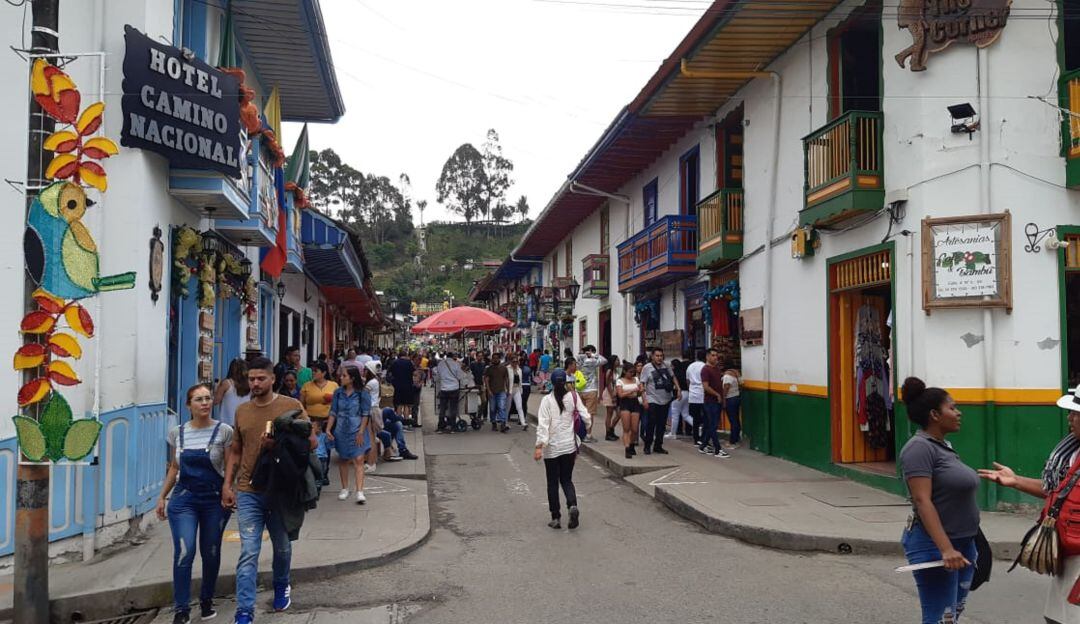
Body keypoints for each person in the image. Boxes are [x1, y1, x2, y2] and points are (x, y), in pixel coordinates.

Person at [223, 357, 314, 623]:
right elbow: (236, 451)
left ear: (273, 379)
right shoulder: (242, 411)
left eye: (261, 378)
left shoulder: (291, 406)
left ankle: (281, 583)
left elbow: (311, 442)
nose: (255, 383)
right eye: (251, 379)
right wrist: (227, 485)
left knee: (282, 547)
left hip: (281, 489)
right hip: (248, 490)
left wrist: (278, 445)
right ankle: (244, 609)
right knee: (248, 551)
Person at [980, 386, 1080, 623]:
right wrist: (1015, 481)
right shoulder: (1071, 452)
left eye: (1076, 413)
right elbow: (1057, 492)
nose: (1070, 418)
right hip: (1069, 554)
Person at [898, 377, 979, 624]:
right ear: (934, 414)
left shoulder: (942, 446)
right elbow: (922, 500)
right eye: (952, 408)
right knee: (940, 618)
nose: (958, 412)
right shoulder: (919, 448)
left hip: (962, 543)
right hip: (935, 545)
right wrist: (946, 549)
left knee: (952, 615)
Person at [157, 384, 234, 624]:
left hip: (214, 500)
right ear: (188, 405)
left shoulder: (224, 431)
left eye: (208, 398)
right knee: (185, 551)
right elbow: (175, 467)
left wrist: (229, 489)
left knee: (211, 552)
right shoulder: (177, 433)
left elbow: (230, 465)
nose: (205, 403)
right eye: (199, 399)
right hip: (184, 499)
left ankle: (206, 600)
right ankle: (181, 609)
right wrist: (162, 496)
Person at [534, 369, 588, 529]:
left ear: (551, 382)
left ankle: (556, 517)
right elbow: (586, 417)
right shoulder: (573, 397)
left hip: (552, 449)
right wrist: (584, 433)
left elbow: (543, 425)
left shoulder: (546, 400)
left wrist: (539, 446)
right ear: (566, 381)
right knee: (566, 479)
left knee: (552, 482)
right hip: (569, 446)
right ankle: (572, 505)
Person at [326, 365, 371, 504]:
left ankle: (360, 491)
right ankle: (344, 488)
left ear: (352, 378)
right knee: (343, 458)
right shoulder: (338, 393)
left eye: (344, 375)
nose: (341, 377)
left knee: (359, 459)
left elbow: (365, 414)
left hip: (357, 428)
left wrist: (361, 431)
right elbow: (333, 411)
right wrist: (328, 429)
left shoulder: (362, 393)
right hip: (341, 429)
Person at [640, 348, 679, 455]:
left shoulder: (666, 365)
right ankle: (647, 445)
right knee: (651, 423)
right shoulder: (647, 368)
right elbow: (642, 384)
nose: (659, 358)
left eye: (661, 356)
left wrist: (678, 388)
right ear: (652, 356)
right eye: (657, 356)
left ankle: (658, 446)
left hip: (665, 399)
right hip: (652, 399)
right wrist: (644, 399)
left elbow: (673, 377)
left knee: (661, 425)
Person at [698, 349, 730, 458]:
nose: (715, 357)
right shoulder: (705, 370)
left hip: (717, 401)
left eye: (716, 355)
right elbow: (705, 386)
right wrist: (717, 394)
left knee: (710, 425)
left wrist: (721, 397)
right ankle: (718, 449)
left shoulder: (716, 369)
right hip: (710, 402)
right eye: (713, 355)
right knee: (713, 426)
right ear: (707, 357)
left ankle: (703, 445)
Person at [577, 346, 608, 444]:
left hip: (580, 389)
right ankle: (588, 435)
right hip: (591, 390)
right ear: (590, 351)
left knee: (581, 412)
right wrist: (594, 355)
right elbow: (604, 360)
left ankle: (580, 432)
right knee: (590, 413)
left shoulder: (579, 360)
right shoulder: (592, 361)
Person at [436, 352, 469, 432]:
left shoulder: (440, 364)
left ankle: (440, 426)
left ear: (446, 356)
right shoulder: (456, 364)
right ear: (453, 357)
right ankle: (452, 426)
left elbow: (438, 376)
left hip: (444, 389)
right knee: (453, 408)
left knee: (442, 408)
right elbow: (460, 376)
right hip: (454, 389)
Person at [615, 362, 643, 459]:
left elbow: (639, 393)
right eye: (630, 372)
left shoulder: (636, 379)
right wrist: (631, 391)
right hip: (625, 403)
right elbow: (620, 395)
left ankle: (631, 444)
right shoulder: (620, 381)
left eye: (633, 372)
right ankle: (627, 448)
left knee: (634, 429)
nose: (632, 374)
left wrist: (640, 391)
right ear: (625, 371)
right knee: (626, 428)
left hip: (635, 403)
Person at [213, 358, 250, 427]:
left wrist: (215, 390)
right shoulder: (250, 384)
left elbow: (215, 401)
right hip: (245, 422)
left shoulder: (226, 383)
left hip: (228, 422)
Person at [484, 353, 511, 432]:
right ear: (492, 359)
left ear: (499, 359)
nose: (495, 360)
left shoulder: (503, 368)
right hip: (492, 392)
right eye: (494, 358)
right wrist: (488, 390)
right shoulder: (489, 369)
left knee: (501, 407)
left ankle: (503, 424)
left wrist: (508, 389)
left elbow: (506, 379)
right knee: (493, 408)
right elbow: (486, 380)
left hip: (501, 391)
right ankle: (494, 423)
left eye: (497, 358)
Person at [686, 350, 706, 445]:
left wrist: (691, 389)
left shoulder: (690, 366)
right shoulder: (705, 367)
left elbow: (688, 381)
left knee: (695, 419)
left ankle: (696, 439)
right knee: (705, 418)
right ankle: (703, 438)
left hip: (693, 396)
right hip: (703, 395)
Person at [388, 350, 415, 422]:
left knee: (399, 404)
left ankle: (399, 421)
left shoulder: (395, 362)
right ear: (406, 355)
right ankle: (406, 421)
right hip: (408, 386)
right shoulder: (409, 363)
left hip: (397, 386)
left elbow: (390, 373)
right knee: (406, 405)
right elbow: (413, 373)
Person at [667, 355, 690, 440]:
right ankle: (698, 428)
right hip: (687, 393)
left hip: (678, 395)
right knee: (686, 415)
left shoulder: (674, 375)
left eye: (671, 365)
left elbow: (671, 385)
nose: (671, 367)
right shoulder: (684, 373)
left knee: (675, 415)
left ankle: (673, 433)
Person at [601, 355, 621, 441]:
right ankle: (608, 433)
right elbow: (608, 384)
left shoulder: (616, 371)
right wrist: (612, 395)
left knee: (619, 414)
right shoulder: (609, 371)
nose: (618, 361)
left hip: (616, 393)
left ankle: (611, 429)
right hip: (610, 393)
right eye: (617, 360)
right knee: (610, 414)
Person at [722, 365, 742, 449]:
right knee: (736, 419)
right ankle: (736, 438)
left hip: (730, 399)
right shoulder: (737, 373)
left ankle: (732, 441)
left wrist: (723, 399)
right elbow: (741, 384)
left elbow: (726, 387)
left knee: (732, 420)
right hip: (736, 398)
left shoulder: (727, 376)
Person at [508, 354, 527, 429]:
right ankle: (505, 422)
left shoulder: (519, 370)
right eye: (513, 361)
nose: (515, 363)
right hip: (509, 390)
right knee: (507, 407)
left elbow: (520, 381)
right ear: (510, 361)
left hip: (517, 389)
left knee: (519, 406)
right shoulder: (507, 369)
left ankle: (523, 422)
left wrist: (521, 390)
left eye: (516, 361)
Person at [520, 355, 532, 431]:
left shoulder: (518, 369)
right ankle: (523, 417)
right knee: (524, 403)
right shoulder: (528, 369)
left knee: (521, 403)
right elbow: (531, 378)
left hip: (521, 386)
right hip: (527, 386)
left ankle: (521, 418)